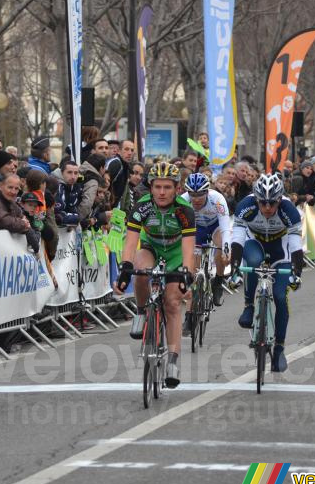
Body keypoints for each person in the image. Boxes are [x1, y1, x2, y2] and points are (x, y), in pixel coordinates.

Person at [114, 162, 195, 389]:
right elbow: (130, 241)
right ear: (150, 188)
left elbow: (189, 248)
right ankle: (141, 311)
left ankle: (173, 361)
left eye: (167, 187)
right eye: (157, 186)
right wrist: (125, 268)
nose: (161, 192)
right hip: (152, 246)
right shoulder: (141, 207)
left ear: (177, 189)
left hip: (176, 253)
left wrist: (187, 273)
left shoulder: (184, 211)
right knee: (140, 270)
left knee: (171, 303)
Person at [229, 173, 303, 373]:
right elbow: (237, 240)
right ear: (256, 198)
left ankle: (279, 348)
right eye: (263, 203)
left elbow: (296, 246)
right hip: (256, 242)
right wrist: (234, 268)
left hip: (281, 247)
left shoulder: (290, 211)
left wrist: (297, 273)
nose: (268, 208)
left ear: (280, 199)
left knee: (280, 295)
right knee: (252, 261)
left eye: (272, 203)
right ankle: (249, 305)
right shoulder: (246, 206)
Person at [181, 173, 232, 316]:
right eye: (193, 195)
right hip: (197, 229)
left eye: (200, 195)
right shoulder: (183, 201)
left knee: (221, 248)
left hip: (215, 227)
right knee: (194, 272)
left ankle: (219, 281)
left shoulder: (217, 199)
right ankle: (189, 315)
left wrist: (226, 249)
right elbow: (180, 229)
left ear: (207, 192)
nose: (196, 199)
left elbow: (225, 227)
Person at [0, 173, 41, 253]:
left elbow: (21, 216)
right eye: (10, 187)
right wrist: (24, 224)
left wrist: (24, 224)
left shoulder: (9, 200)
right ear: (0, 186)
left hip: (5, 252)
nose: (13, 191)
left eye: (16, 189)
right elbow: (7, 222)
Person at [51, 160, 83, 226]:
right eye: (69, 172)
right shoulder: (56, 186)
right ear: (62, 173)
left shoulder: (76, 186)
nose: (73, 177)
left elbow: (73, 209)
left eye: (76, 173)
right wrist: (77, 218)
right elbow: (58, 215)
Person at [78, 153, 106, 223]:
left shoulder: (80, 173)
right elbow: (87, 204)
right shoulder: (93, 180)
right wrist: (76, 220)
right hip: (74, 221)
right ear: (101, 168)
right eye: (104, 167)